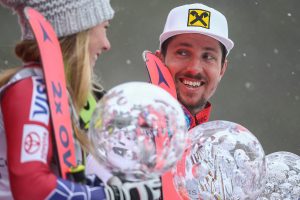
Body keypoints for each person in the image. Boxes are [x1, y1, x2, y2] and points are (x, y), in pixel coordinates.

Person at [0, 0, 161, 199]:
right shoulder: (31, 89)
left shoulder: (57, 92)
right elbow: (31, 188)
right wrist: (112, 196)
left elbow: (63, 179)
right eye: (104, 28)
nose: (106, 44)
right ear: (78, 30)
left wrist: (113, 184)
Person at [153, 3, 234, 199]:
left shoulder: (223, 157)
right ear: (159, 59)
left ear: (222, 69)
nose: (194, 68)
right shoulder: (128, 131)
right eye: (183, 52)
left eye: (208, 57)